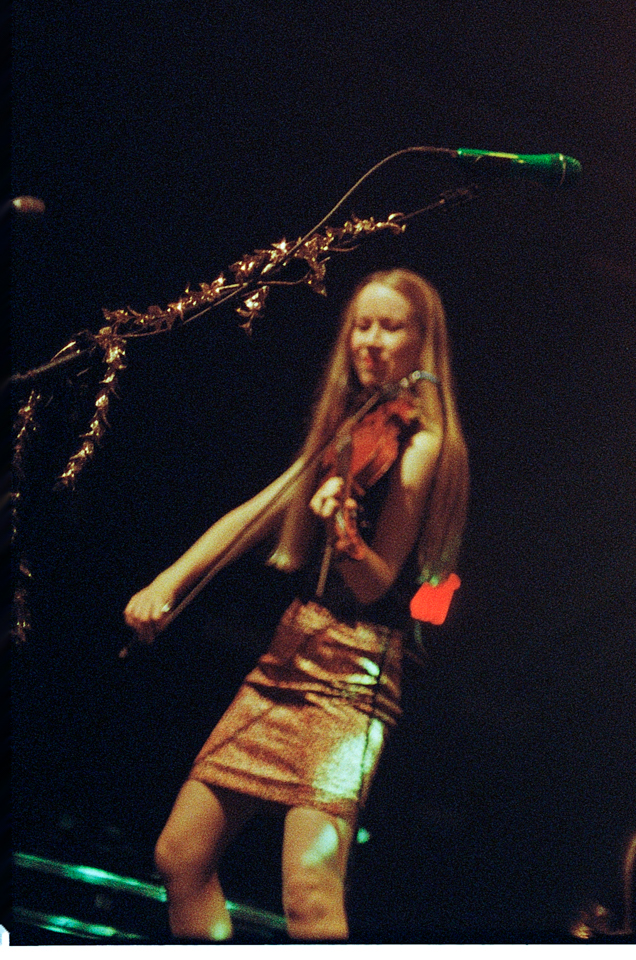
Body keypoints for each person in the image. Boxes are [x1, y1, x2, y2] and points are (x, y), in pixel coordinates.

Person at [123, 268, 470, 940]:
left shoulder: (422, 443)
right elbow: (255, 514)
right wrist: (168, 581)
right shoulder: (351, 426)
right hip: (292, 649)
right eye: (361, 325)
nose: (370, 340)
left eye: (390, 326)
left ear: (422, 343)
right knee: (181, 855)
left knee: (310, 892)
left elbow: (376, 582)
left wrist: (342, 536)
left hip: (355, 673)